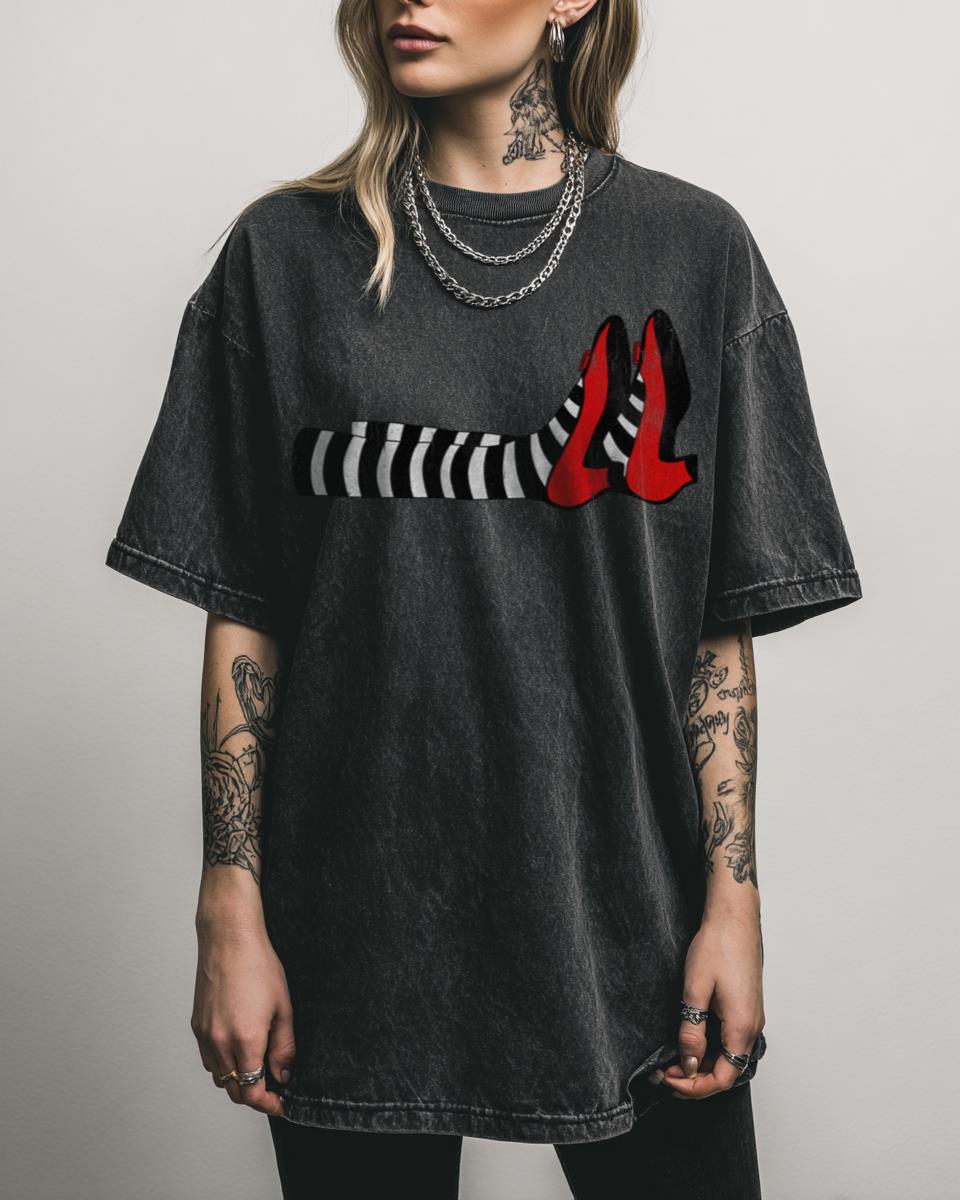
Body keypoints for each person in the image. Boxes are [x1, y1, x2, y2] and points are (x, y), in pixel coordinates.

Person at [103, 0, 863, 1196]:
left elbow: (714, 632)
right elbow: (246, 609)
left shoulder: (693, 251)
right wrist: (229, 904)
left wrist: (734, 901)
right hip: (352, 923)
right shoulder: (284, 257)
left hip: (629, 915)